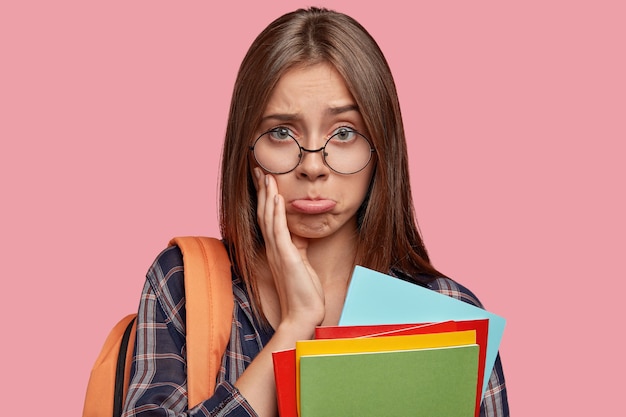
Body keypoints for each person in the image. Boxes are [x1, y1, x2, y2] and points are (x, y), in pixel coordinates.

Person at [122, 7, 509, 417]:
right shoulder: (184, 282)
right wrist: (295, 326)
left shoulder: (446, 314)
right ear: (247, 149)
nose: (312, 165)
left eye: (344, 133)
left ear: (381, 148)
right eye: (280, 132)